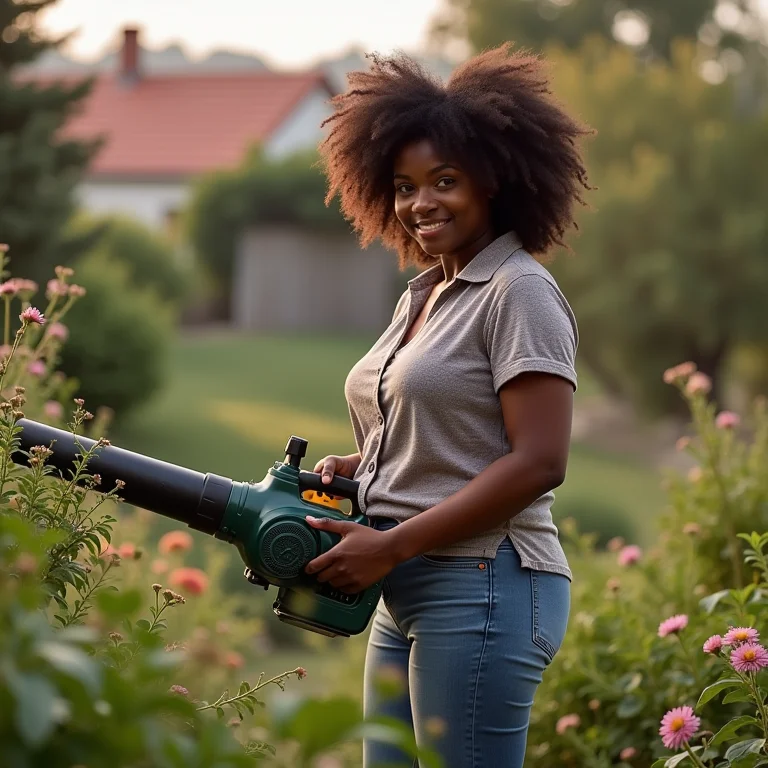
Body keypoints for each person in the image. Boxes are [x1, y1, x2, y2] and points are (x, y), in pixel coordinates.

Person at [303, 43, 593, 768]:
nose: (419, 203)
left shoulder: (517, 291)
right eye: (404, 186)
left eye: (445, 180)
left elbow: (539, 461)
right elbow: (448, 431)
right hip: (403, 587)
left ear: (494, 181)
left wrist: (394, 542)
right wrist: (366, 466)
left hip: (484, 584)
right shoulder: (424, 295)